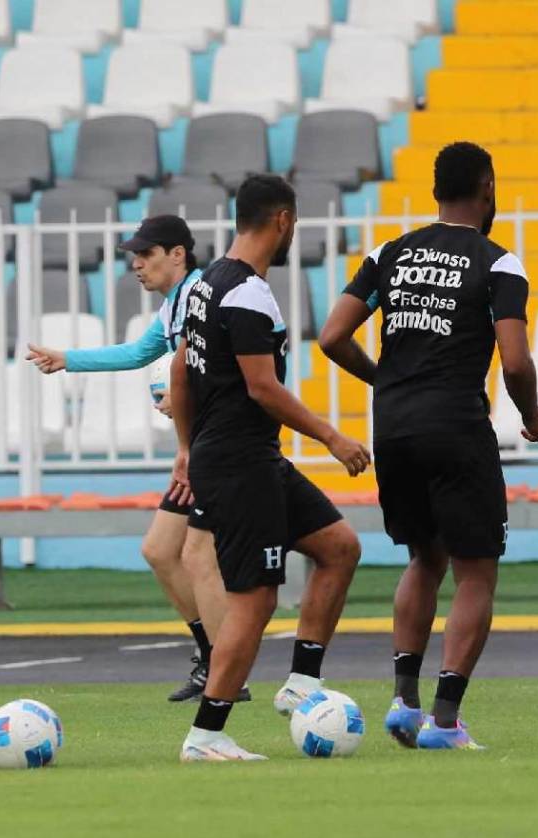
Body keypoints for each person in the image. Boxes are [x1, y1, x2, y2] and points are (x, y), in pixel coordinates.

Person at [319, 142, 538, 750]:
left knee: (426, 558)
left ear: (433, 192)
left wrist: (386, 381)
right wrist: (531, 414)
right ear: (488, 189)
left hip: (392, 427)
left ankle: (403, 701)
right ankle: (445, 723)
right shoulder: (499, 264)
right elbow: (517, 358)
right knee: (476, 572)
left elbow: (332, 335)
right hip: (454, 426)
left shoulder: (389, 254)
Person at [170, 174, 369, 762]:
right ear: (283, 221)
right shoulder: (249, 294)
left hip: (241, 456)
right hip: (241, 463)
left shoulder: (204, 284)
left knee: (339, 546)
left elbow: (181, 373)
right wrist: (332, 435)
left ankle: (302, 684)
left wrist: (187, 448)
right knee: (254, 600)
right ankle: (206, 735)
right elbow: (262, 388)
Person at [25, 215, 247, 703]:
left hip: (221, 447)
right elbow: (139, 352)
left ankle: (228, 673)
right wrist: (68, 359)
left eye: (145, 255)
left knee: (195, 555)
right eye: (134, 257)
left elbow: (232, 363)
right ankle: (214, 660)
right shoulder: (176, 306)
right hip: (199, 445)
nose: (137, 265)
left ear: (177, 255)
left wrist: (186, 399)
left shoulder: (202, 295)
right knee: (161, 551)